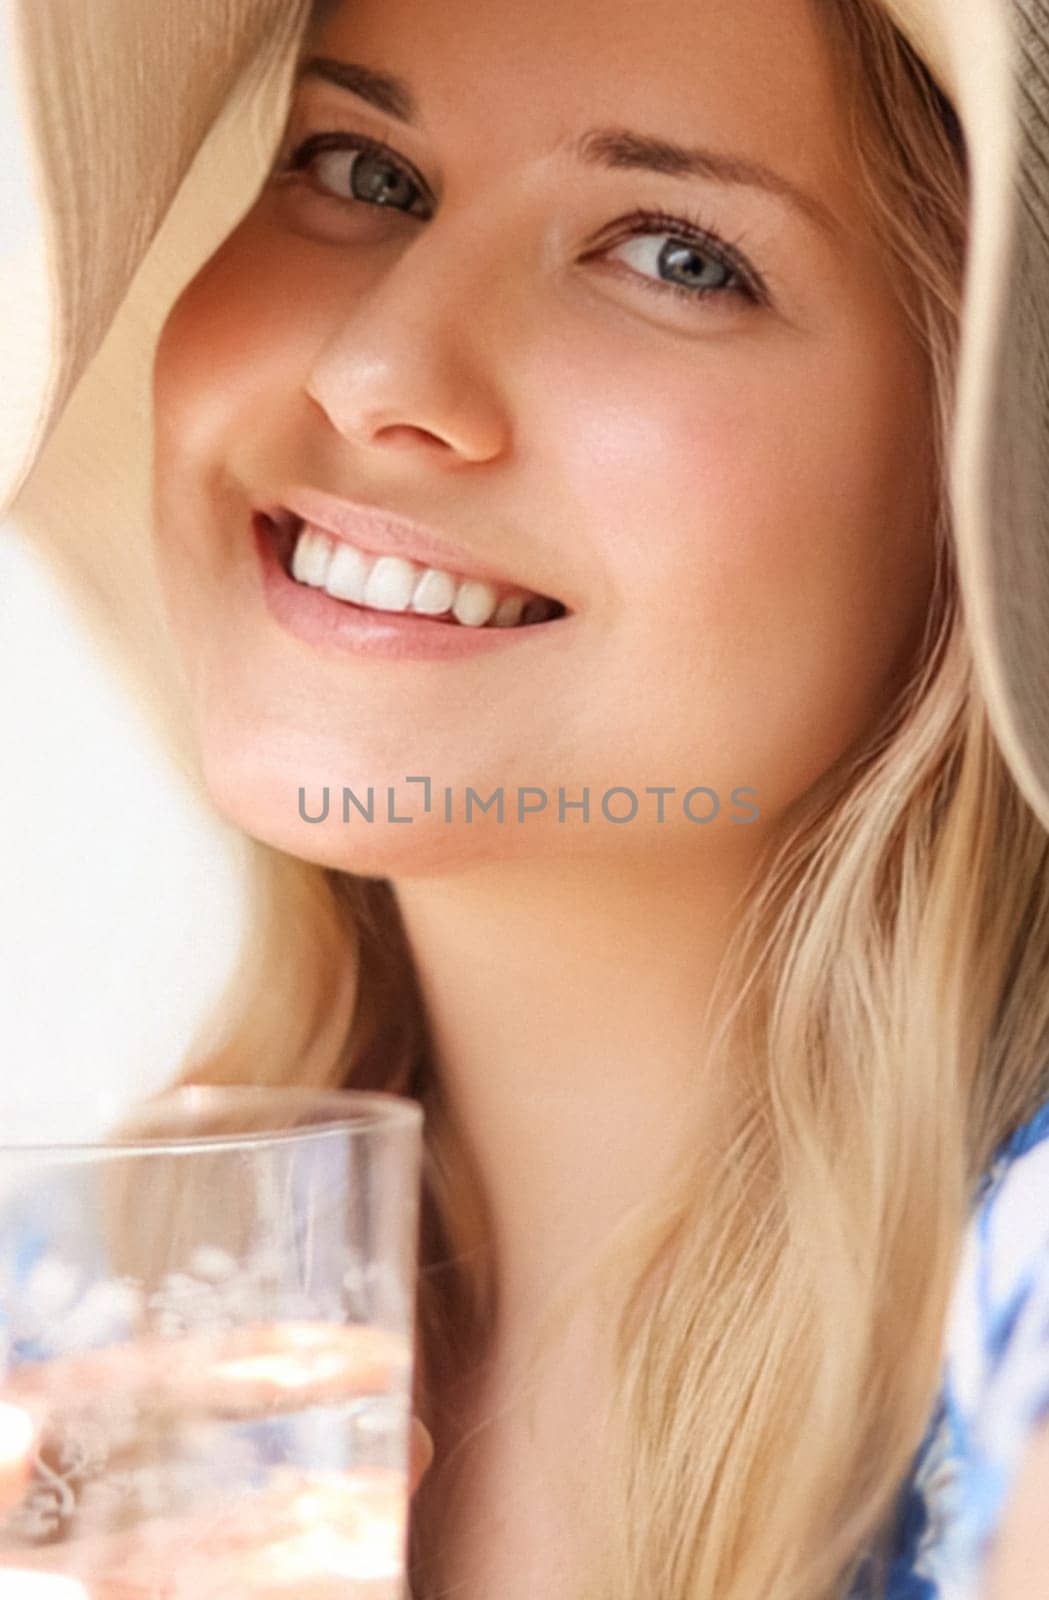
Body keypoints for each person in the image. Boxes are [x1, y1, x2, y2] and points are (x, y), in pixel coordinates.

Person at [3, 0, 1049, 1595]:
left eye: (677, 256)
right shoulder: (78, 1337)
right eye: (361, 167)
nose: (375, 371)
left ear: (982, 486)